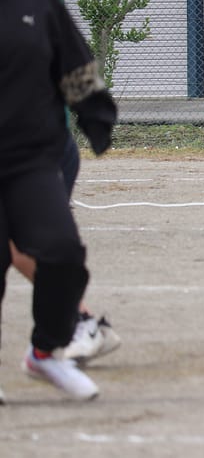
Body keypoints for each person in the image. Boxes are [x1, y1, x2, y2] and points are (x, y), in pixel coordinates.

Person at [0, 0, 117, 402]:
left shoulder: (35, 1)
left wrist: (96, 115)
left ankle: (45, 351)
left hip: (30, 161)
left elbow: (75, 63)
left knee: (63, 254)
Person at [8, 132, 122, 365]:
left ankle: (84, 322)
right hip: (22, 155)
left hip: (37, 157)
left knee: (22, 247)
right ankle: (83, 322)